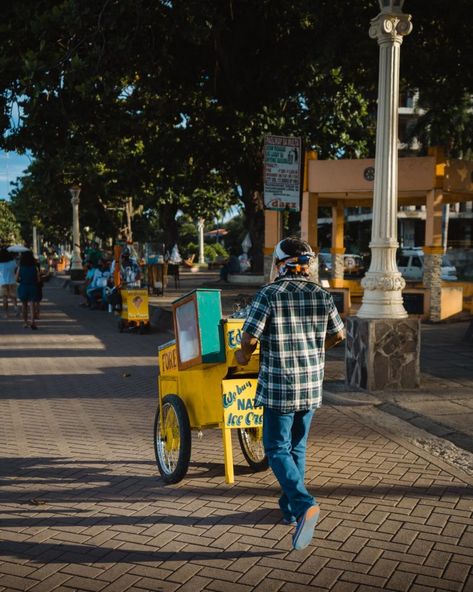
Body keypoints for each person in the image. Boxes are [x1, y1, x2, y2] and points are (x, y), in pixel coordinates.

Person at [235, 236, 345, 551]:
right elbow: (338, 335)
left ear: (280, 264)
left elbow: (249, 338)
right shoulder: (321, 294)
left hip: (280, 387)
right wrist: (315, 352)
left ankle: (303, 503)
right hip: (310, 385)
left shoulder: (269, 294)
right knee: (297, 446)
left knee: (276, 448)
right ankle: (289, 512)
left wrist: (243, 356)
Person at [16, 250, 41, 329]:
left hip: (23, 287)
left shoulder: (20, 267)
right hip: (33, 287)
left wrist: (22, 280)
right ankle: (33, 322)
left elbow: (16, 278)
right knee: (32, 305)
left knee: (24, 305)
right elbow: (38, 279)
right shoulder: (35, 267)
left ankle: (25, 323)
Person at [0, 247, 19, 318]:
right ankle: (16, 308)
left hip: (2, 282)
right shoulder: (12, 262)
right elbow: (15, 268)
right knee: (13, 296)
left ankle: (6, 313)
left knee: (5, 299)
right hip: (12, 281)